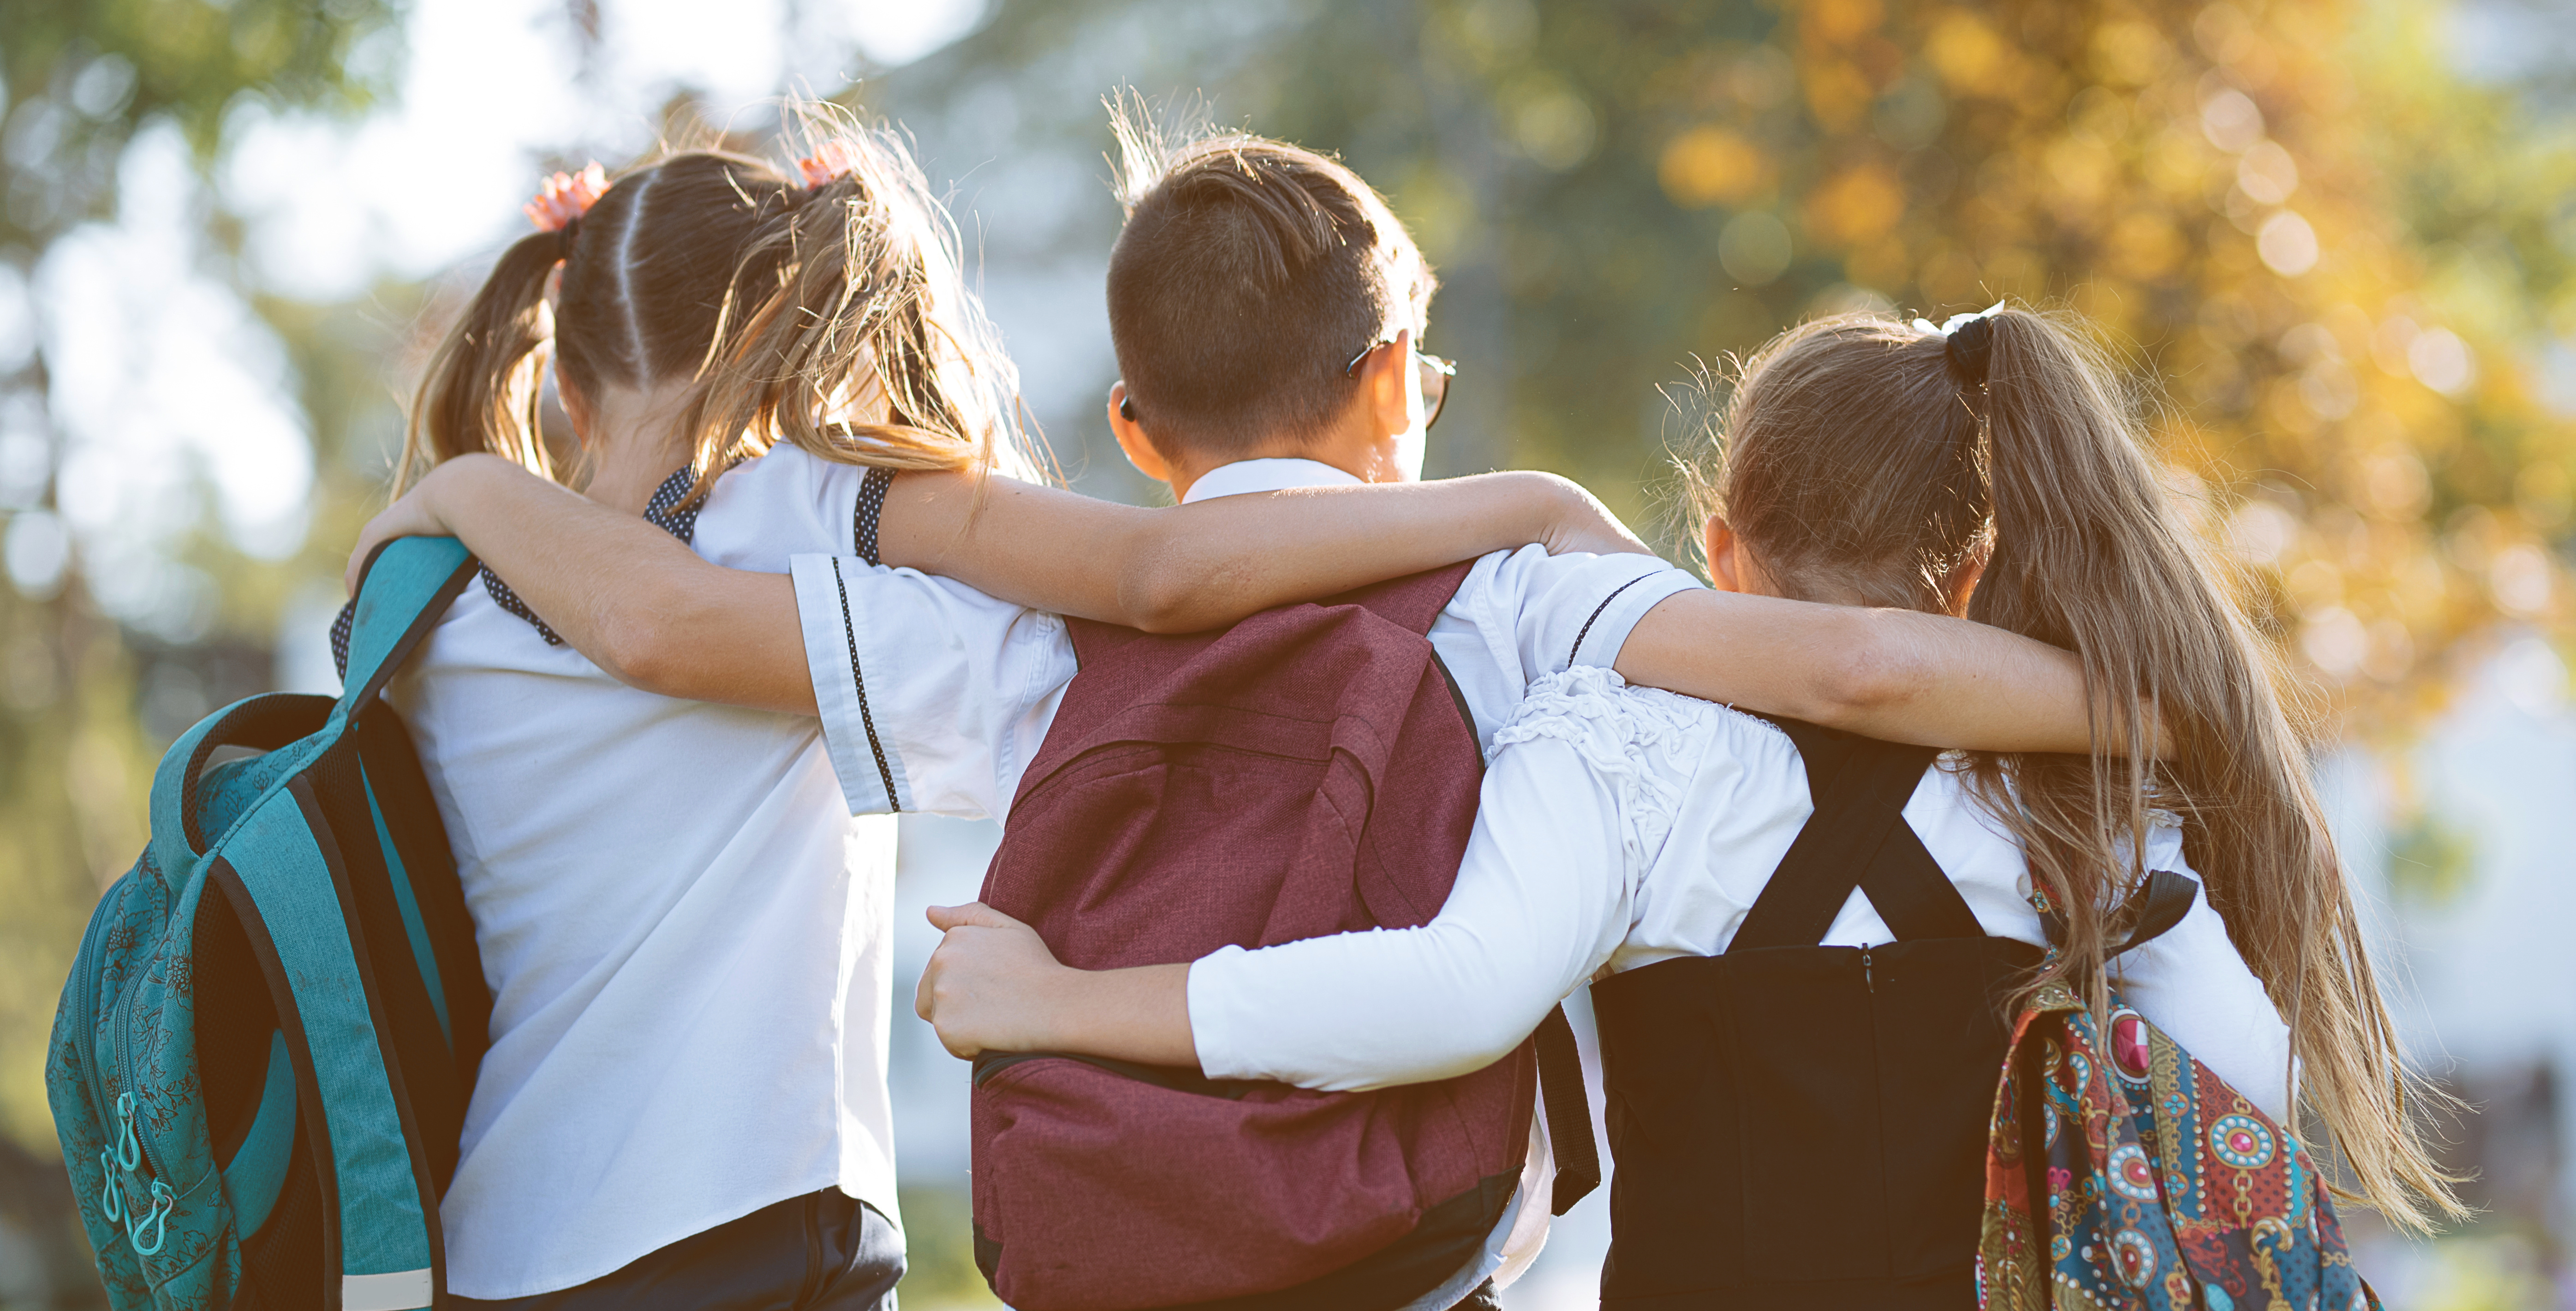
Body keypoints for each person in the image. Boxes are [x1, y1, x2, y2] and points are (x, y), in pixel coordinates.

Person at [355, 124, 2135, 1308]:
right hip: (1426, 1255)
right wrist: (2161, 707)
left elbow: (701, 630)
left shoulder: (1004, 649)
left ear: (1134, 431)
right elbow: (1842, 667)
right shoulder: (1528, 595)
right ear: (1391, 387)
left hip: (1118, 1243)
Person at [912, 306, 2468, 1302]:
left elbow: (1446, 996)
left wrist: (1065, 999)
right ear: (1980, 567)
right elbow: (2243, 1083)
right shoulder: (2079, 791)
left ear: (1720, 550)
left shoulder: (1621, 749)